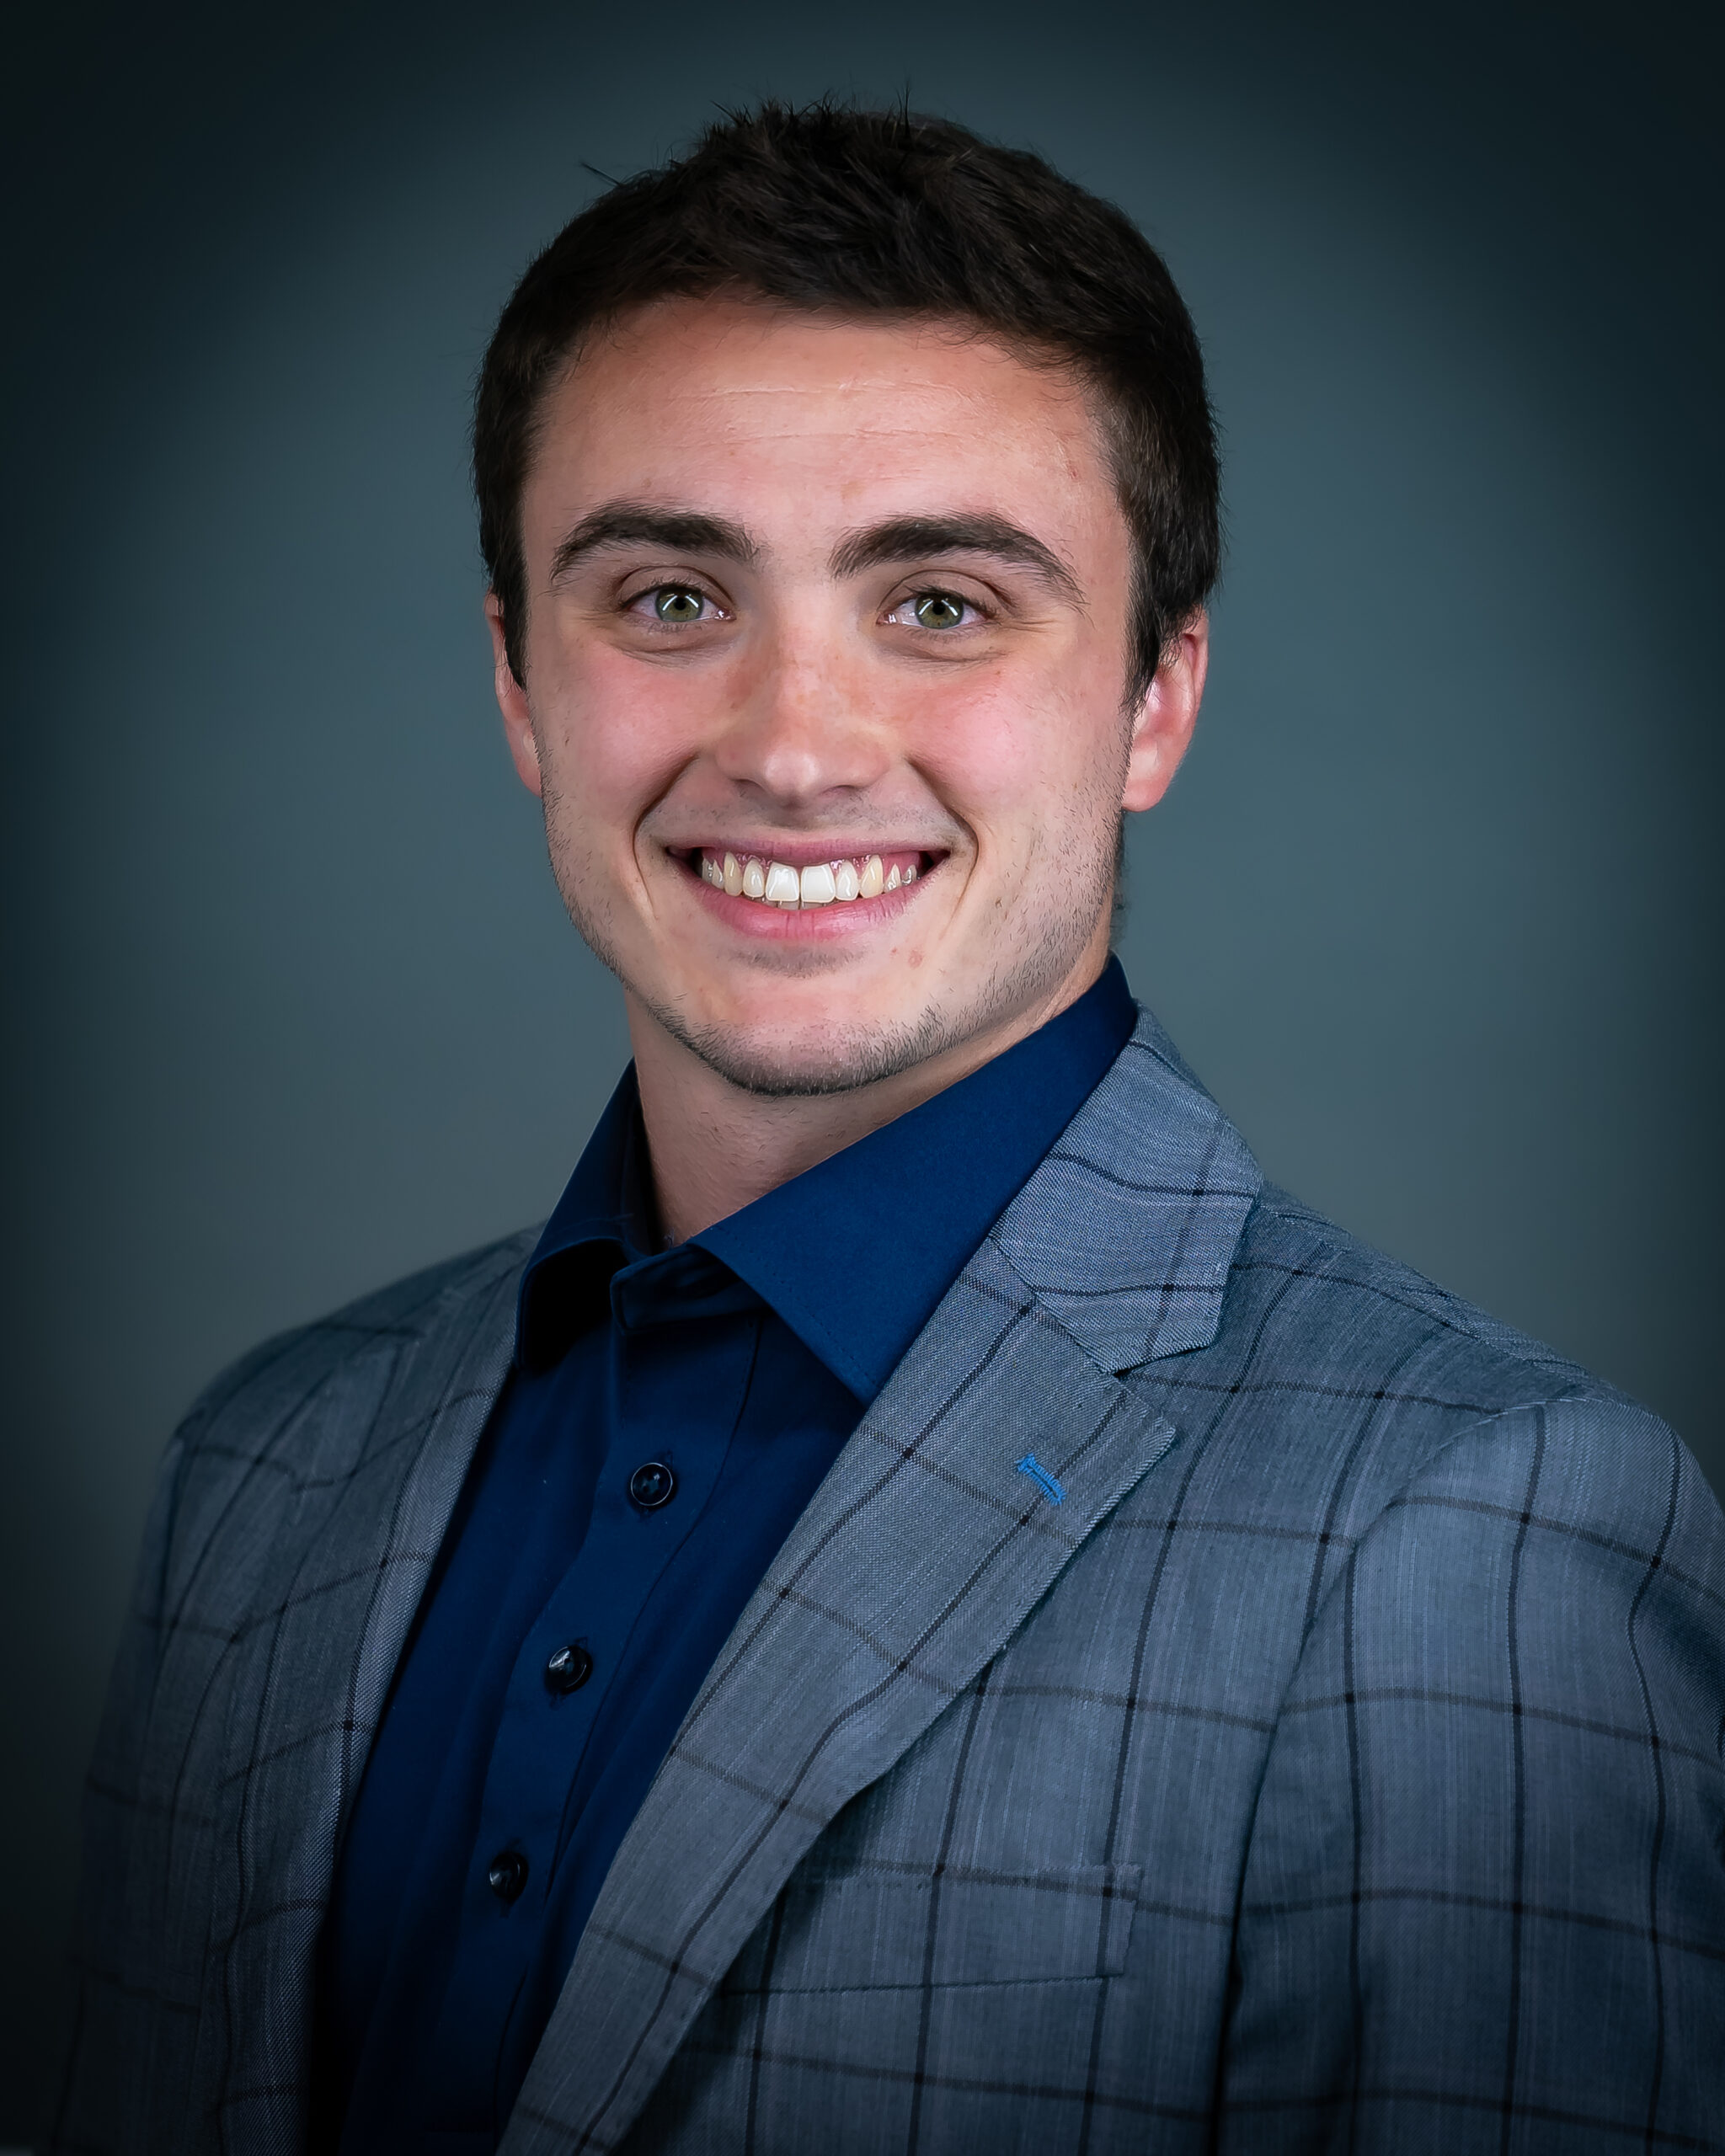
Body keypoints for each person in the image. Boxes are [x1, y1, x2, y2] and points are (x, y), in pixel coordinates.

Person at [56, 103, 1725, 2156]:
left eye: (939, 604)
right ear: (518, 686)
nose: (792, 746)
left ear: (1156, 698)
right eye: (670, 596)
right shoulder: (260, 1469)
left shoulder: (1472, 1535)